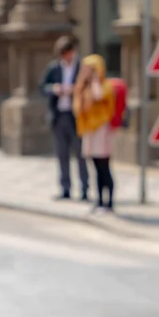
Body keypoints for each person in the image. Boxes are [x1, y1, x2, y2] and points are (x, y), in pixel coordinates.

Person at [41, 36, 89, 201]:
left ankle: (85, 189)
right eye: (62, 54)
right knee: (62, 154)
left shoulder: (82, 68)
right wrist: (54, 89)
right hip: (59, 115)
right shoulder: (54, 68)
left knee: (81, 154)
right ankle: (65, 188)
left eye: (67, 53)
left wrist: (76, 89)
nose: (65, 57)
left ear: (73, 52)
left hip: (76, 115)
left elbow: (89, 87)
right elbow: (43, 87)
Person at [74, 54, 117, 213]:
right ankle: (99, 200)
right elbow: (78, 107)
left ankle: (109, 201)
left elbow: (99, 96)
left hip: (101, 130)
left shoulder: (105, 86)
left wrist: (93, 80)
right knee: (95, 168)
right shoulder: (82, 88)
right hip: (89, 131)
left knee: (104, 167)